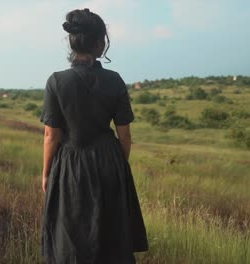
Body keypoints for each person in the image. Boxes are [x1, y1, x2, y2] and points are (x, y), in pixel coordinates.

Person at [40, 8, 149, 264]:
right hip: (110, 161)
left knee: (70, 234)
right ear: (100, 43)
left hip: (70, 165)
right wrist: (119, 165)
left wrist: (46, 174)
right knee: (112, 235)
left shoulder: (56, 81)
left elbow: (50, 136)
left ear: (72, 41)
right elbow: (125, 134)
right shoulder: (115, 80)